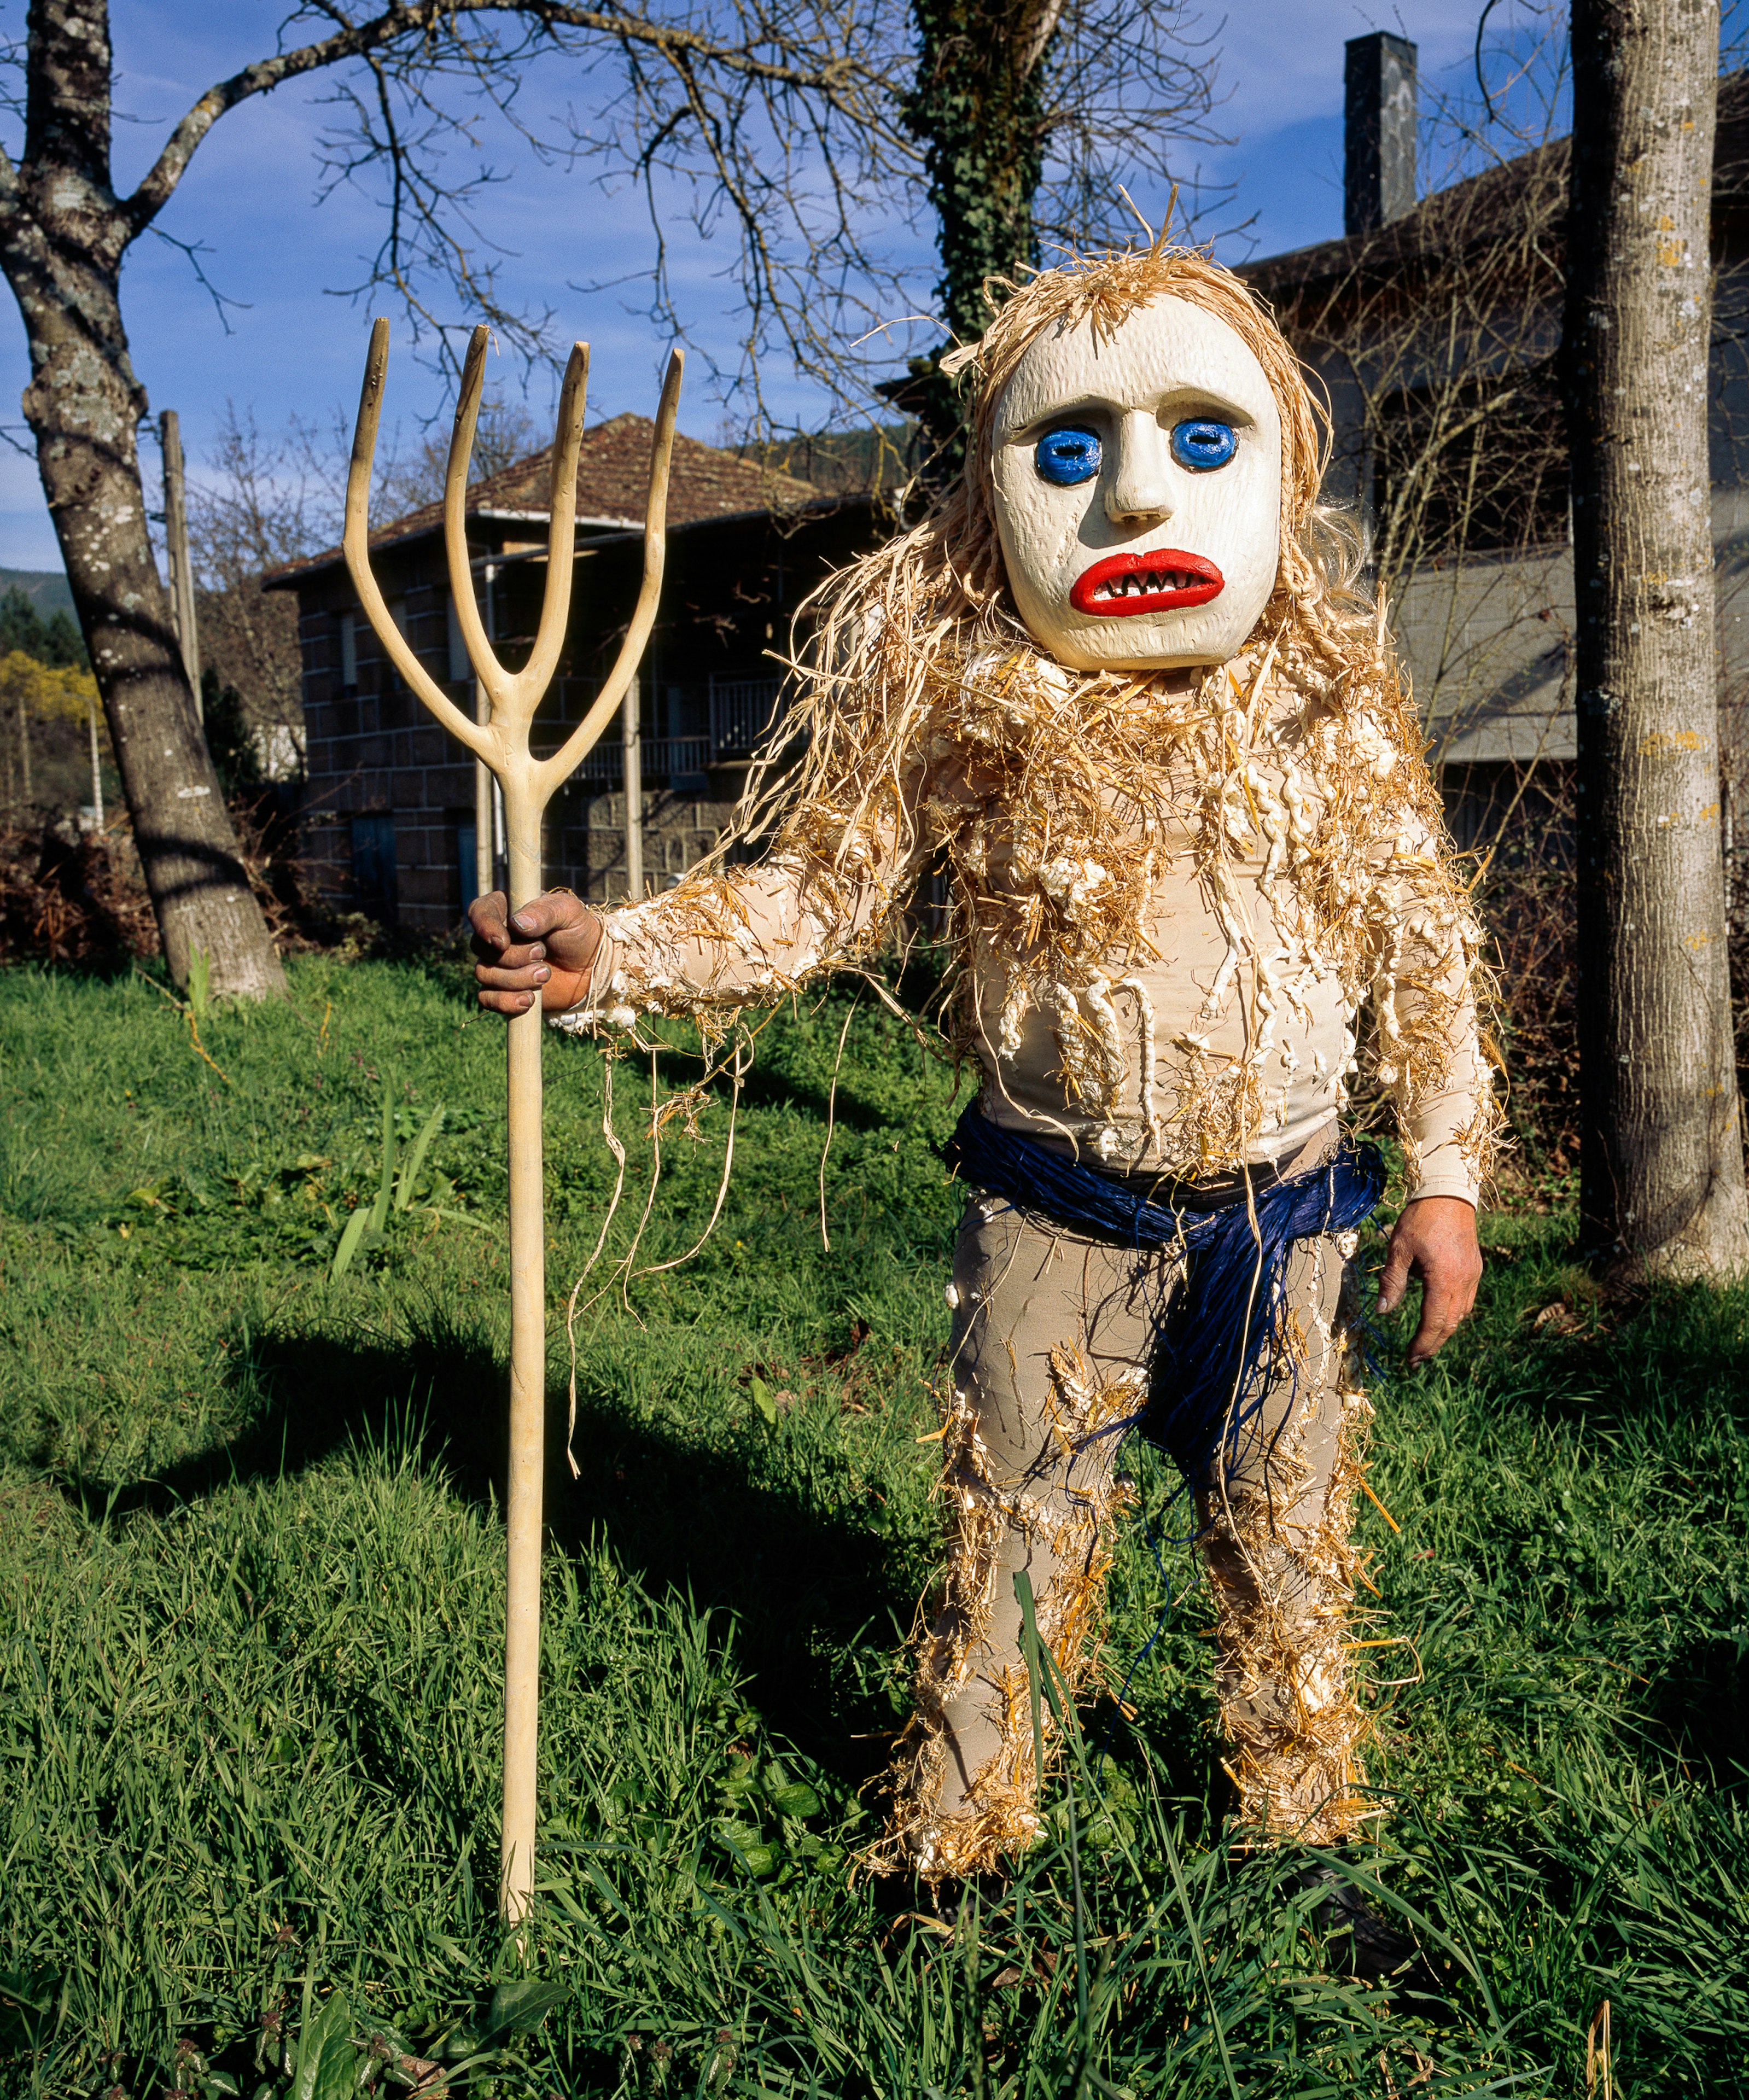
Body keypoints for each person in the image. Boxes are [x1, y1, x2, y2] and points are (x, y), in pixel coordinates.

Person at [469, 241, 1496, 1885]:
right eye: (1070, 452)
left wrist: (1443, 1173)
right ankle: (959, 1845)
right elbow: (818, 893)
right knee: (1009, 1541)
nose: (1139, 501)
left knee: (1287, 1545)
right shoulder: (959, 697)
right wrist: (622, 957)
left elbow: (1424, 948)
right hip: (1055, 1222)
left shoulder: (1333, 700)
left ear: (1284, 465)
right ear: (989, 489)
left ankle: (1303, 1837)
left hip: (1288, 1220)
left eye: (1202, 441)